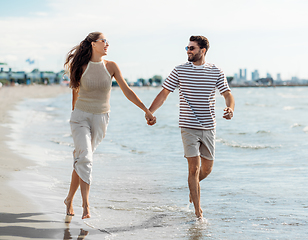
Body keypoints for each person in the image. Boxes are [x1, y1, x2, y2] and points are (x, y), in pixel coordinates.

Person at [63, 32, 155, 219]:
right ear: (93, 44)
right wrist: (74, 114)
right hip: (80, 118)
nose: (107, 44)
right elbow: (75, 91)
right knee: (86, 158)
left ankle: (68, 199)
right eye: (104, 41)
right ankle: (86, 206)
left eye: (107, 42)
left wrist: (146, 110)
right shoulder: (81, 66)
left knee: (82, 159)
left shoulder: (111, 66)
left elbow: (127, 90)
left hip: (101, 118)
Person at [147, 36, 235, 219]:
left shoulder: (216, 71)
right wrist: (150, 112)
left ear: (203, 50)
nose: (188, 50)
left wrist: (230, 109)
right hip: (188, 126)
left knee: (207, 169)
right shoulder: (180, 71)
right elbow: (164, 93)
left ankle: (192, 187)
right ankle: (198, 212)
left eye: (192, 48)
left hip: (209, 127)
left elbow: (227, 94)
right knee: (193, 169)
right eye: (187, 47)